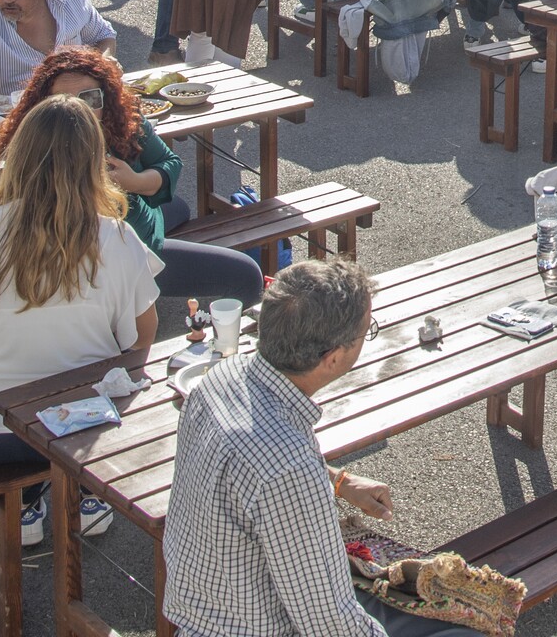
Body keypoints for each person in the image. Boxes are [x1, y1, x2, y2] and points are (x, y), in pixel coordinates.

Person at [0, 95, 160, 545]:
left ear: (17, 154)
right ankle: (84, 493)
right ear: (93, 162)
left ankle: (25, 506)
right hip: (82, 423)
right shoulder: (117, 236)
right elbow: (141, 340)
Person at [162, 260, 415, 637]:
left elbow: (251, 473)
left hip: (203, 615)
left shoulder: (221, 378)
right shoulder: (289, 468)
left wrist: (337, 481)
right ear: (333, 358)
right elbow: (329, 623)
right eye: (367, 332)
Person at [0, 48, 267, 301]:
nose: (78, 111)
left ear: (108, 97)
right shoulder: (34, 148)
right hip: (119, 255)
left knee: (179, 207)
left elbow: (169, 162)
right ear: (42, 107)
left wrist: (135, 182)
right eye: (63, 101)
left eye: (90, 98)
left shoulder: (124, 119)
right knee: (246, 274)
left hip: (137, 229)